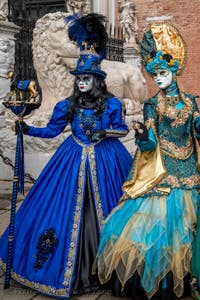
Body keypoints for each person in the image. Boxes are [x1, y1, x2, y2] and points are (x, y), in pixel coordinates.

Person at [0, 14, 133, 298]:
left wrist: (106, 134)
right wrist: (27, 129)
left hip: (107, 160)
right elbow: (50, 131)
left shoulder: (111, 104)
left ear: (97, 80)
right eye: (79, 78)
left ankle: (109, 268)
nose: (81, 83)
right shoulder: (66, 106)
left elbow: (121, 130)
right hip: (71, 159)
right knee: (56, 213)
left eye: (86, 78)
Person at [94, 22, 200, 300]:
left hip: (189, 170)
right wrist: (142, 136)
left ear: (174, 71)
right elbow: (150, 142)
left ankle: (190, 277)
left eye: (163, 73)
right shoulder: (152, 105)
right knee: (153, 227)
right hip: (160, 172)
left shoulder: (191, 102)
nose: (159, 79)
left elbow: (195, 132)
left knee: (187, 229)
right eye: (154, 75)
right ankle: (160, 283)